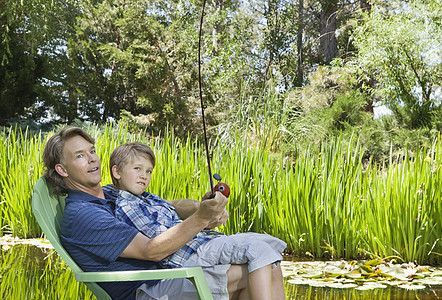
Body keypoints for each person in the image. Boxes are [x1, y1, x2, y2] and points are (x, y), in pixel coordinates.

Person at [41, 126, 284, 300]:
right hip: (149, 290)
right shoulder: (84, 215)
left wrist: (203, 207)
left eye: (92, 151)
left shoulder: (110, 193)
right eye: (80, 156)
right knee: (260, 263)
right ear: (62, 169)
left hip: (170, 275)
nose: (92, 159)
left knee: (268, 262)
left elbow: (172, 205)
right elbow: (152, 250)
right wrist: (200, 220)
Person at [107, 142, 286, 300]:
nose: (144, 175)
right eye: (137, 169)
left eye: (148, 171)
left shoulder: (151, 199)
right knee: (259, 249)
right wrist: (200, 219)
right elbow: (160, 238)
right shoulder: (127, 205)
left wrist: (206, 207)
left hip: (204, 244)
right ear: (117, 172)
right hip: (191, 254)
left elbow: (177, 210)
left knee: (271, 258)